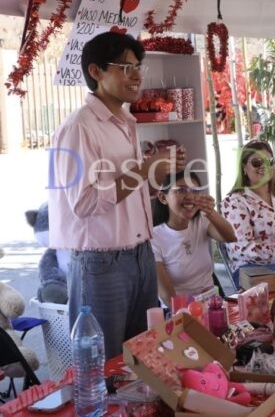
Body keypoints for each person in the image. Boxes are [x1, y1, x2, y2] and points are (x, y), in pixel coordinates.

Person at [48, 32, 185, 358]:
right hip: (101, 262)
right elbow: (84, 203)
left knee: (141, 358)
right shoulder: (79, 127)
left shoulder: (125, 122)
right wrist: (143, 170)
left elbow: (124, 191)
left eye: (138, 67)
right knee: (103, 363)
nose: (136, 76)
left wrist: (154, 176)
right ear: (96, 71)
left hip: (140, 254)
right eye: (125, 68)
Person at [221, 140, 275, 286]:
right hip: (253, 269)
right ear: (244, 167)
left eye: (269, 161)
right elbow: (242, 247)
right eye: (256, 162)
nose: (264, 166)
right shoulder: (235, 202)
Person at [151, 172, 236, 306]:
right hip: (180, 311)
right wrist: (192, 314)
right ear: (163, 198)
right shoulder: (154, 238)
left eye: (195, 191)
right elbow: (167, 296)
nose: (190, 197)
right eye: (181, 190)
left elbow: (230, 237)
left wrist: (210, 212)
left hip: (212, 304)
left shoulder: (201, 222)